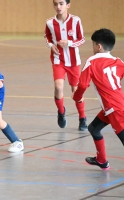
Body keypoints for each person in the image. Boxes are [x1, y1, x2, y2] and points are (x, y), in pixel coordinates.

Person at [72, 28, 124, 170]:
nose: (93, 47)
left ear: (99, 46)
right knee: (93, 128)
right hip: (111, 107)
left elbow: (82, 84)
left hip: (115, 109)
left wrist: (77, 97)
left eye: (93, 44)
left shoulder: (92, 61)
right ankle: (101, 160)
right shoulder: (118, 61)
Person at [44, 0, 87, 131]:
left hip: (73, 62)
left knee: (75, 91)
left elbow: (82, 39)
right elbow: (47, 37)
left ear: (68, 5)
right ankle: (61, 112)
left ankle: (82, 117)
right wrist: (51, 46)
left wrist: (69, 43)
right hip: (58, 60)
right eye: (56, 4)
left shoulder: (76, 20)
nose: (58, 6)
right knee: (58, 87)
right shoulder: (50, 22)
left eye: (61, 3)